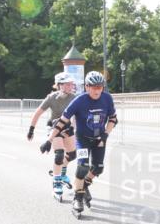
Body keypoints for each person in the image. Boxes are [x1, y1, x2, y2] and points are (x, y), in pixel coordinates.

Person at [45, 70, 118, 216]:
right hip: (83, 139)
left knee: (98, 168)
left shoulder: (107, 98)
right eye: (94, 87)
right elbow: (63, 121)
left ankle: (83, 185)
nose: (98, 90)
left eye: (100, 87)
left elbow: (113, 119)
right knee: (83, 167)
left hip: (99, 139)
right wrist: (49, 140)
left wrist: (105, 135)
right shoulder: (79, 100)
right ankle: (77, 199)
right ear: (87, 87)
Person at [28, 72, 78, 198]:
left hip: (67, 127)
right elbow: (37, 113)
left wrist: (72, 127)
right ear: (60, 85)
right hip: (54, 127)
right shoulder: (51, 98)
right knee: (59, 154)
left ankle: (61, 173)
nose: (70, 86)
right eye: (67, 84)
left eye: (71, 84)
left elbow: (76, 116)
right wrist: (31, 130)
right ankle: (56, 184)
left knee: (72, 155)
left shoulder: (74, 97)